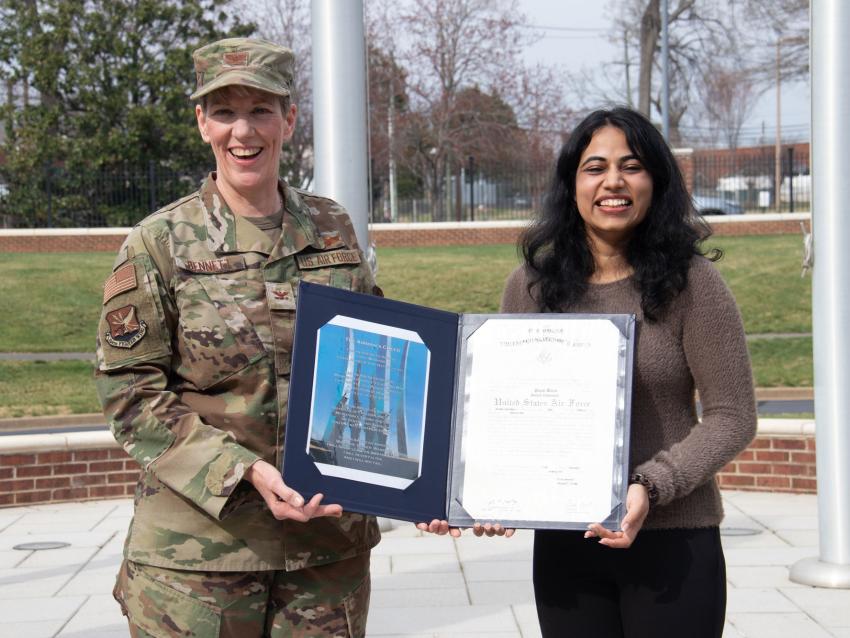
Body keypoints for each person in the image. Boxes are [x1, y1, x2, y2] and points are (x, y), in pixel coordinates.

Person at [95, 38, 380, 637]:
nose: (242, 131)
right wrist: (244, 470)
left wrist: (428, 482)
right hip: (196, 560)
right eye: (224, 111)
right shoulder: (160, 242)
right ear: (202, 123)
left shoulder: (331, 228)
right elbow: (131, 395)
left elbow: (378, 356)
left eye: (260, 109)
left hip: (323, 556)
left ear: (290, 119)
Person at [500, 107, 757, 638]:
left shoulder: (695, 284)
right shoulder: (529, 288)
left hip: (672, 539)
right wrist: (485, 493)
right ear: (571, 184)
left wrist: (648, 485)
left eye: (631, 165)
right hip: (567, 543)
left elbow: (733, 416)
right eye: (594, 167)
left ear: (656, 182)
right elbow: (501, 412)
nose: (612, 181)